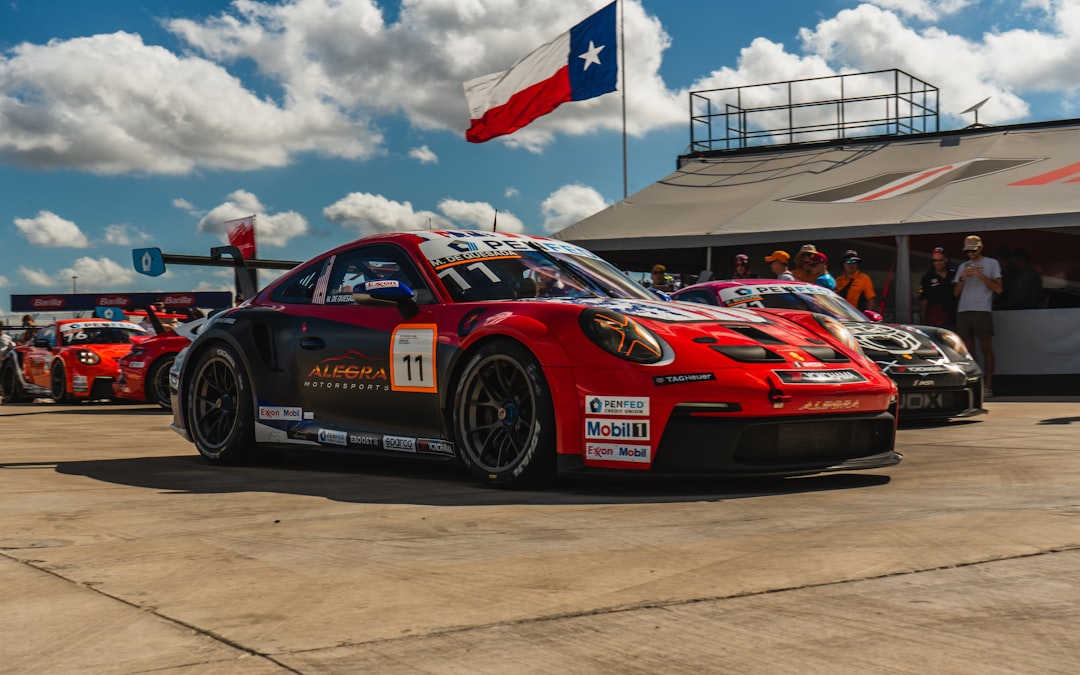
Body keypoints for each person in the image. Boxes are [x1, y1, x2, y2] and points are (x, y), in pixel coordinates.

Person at [954, 234, 1002, 397]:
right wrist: (963, 278)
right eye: (967, 251)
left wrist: (980, 275)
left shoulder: (991, 263)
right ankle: (976, 383)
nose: (970, 254)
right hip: (964, 310)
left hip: (982, 309)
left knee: (986, 347)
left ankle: (988, 385)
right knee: (968, 349)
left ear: (980, 248)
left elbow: (998, 289)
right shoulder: (963, 266)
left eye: (973, 250)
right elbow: (956, 293)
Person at [918, 247, 958, 328]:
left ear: (946, 259)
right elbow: (923, 301)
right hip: (934, 320)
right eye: (935, 260)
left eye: (940, 260)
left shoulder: (954, 275)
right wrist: (922, 321)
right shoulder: (927, 277)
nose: (937, 263)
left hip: (953, 318)